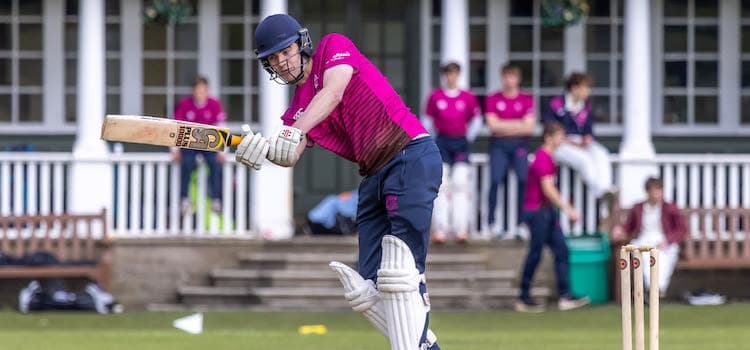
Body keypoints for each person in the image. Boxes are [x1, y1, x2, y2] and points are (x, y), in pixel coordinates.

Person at [234, 14, 441, 350]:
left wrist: (293, 131)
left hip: (409, 153)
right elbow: (288, 154)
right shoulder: (297, 111)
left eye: (285, 52)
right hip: (373, 176)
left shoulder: (334, 47)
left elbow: (333, 92)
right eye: (272, 59)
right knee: (371, 289)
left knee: (401, 272)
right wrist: (257, 151)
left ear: (301, 44)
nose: (282, 63)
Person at [516, 122, 590, 313]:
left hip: (547, 212)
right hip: (537, 211)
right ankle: (523, 297)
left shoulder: (549, 157)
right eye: (559, 136)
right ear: (548, 137)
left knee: (561, 250)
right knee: (535, 253)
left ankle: (565, 295)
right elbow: (548, 189)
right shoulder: (542, 157)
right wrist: (568, 209)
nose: (561, 140)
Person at [423, 62, 482, 243]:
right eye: (448, 74)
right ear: (444, 76)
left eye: (455, 73)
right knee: (441, 185)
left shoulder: (467, 97)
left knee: (461, 183)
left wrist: (467, 138)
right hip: (441, 142)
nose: (451, 77)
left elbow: (477, 120)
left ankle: (460, 228)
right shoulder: (435, 96)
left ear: (459, 75)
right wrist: (433, 140)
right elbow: (427, 120)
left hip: (461, 143)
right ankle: (440, 228)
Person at [484, 63, 536, 238]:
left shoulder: (526, 99)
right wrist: (517, 124)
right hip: (499, 145)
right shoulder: (493, 98)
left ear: (518, 78)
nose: (509, 80)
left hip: (520, 145)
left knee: (523, 180)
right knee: (495, 179)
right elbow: (492, 125)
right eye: (506, 76)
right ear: (502, 77)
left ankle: (522, 223)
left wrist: (503, 126)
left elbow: (529, 128)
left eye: (512, 76)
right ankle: (492, 222)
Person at [542, 72, 613, 198]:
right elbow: (550, 129)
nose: (587, 92)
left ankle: (606, 189)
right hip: (560, 145)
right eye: (585, 88)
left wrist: (587, 138)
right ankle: (601, 194)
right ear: (574, 88)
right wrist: (567, 140)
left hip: (580, 143)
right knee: (585, 161)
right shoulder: (556, 104)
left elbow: (588, 130)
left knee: (601, 154)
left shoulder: (586, 107)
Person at [612, 177, 687, 295]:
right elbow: (629, 226)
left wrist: (668, 240)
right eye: (654, 191)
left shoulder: (670, 208)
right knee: (645, 257)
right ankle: (653, 288)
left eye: (659, 190)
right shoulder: (638, 208)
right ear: (647, 192)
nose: (657, 194)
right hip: (643, 239)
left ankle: (657, 288)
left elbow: (681, 229)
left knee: (663, 258)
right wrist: (620, 230)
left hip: (664, 240)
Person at [172, 76, 227, 214]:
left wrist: (223, 151)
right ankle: (184, 198)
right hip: (190, 143)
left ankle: (216, 199)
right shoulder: (185, 104)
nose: (200, 93)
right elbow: (176, 127)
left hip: (209, 143)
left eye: (203, 90)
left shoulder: (214, 104)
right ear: (193, 91)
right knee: (187, 164)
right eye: (197, 90)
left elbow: (221, 126)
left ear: (207, 91)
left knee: (214, 165)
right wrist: (174, 149)